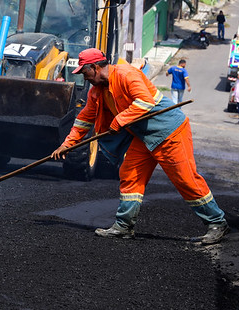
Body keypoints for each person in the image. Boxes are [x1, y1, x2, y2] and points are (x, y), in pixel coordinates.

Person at [51, 48, 229, 245]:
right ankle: (124, 226)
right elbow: (84, 120)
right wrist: (67, 145)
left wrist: (119, 121)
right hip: (144, 137)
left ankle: (216, 223)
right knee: (129, 173)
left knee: (186, 179)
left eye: (85, 73)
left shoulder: (127, 74)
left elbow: (145, 102)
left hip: (169, 132)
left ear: (94, 67)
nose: (86, 79)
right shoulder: (97, 92)